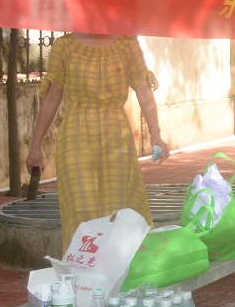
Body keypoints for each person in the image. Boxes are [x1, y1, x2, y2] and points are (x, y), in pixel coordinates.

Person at [27, 34, 167, 256]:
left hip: (116, 137)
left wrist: (155, 132)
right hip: (75, 137)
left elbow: (143, 89)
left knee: (118, 212)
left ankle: (117, 279)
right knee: (80, 210)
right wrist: (36, 146)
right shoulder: (65, 46)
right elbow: (52, 98)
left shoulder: (127, 44)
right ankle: (83, 281)